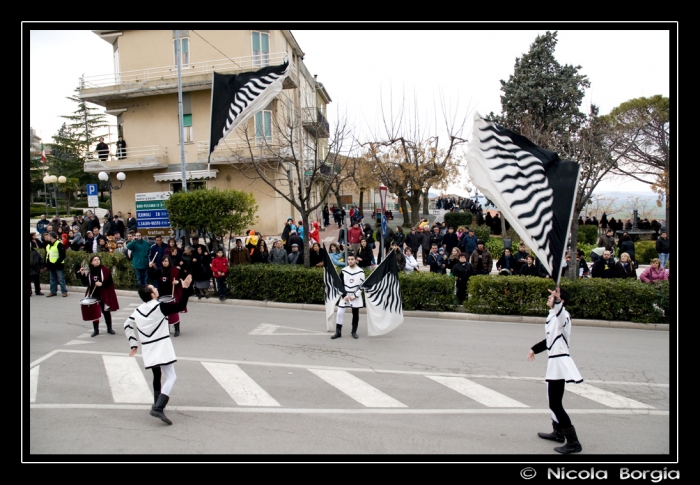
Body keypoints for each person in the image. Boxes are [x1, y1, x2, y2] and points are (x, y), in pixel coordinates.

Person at [125, 275, 193, 425]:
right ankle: (159, 407)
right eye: (154, 288)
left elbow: (127, 325)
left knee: (157, 375)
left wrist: (133, 344)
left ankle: (156, 403)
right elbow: (180, 306)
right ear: (152, 295)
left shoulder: (137, 311)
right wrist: (186, 289)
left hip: (148, 348)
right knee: (171, 377)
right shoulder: (159, 307)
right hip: (162, 346)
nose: (156, 289)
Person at [528, 287, 583, 454]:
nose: (549, 298)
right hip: (554, 362)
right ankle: (558, 432)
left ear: (561, 301)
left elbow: (560, 312)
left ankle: (573, 442)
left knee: (555, 403)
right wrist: (534, 349)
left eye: (551, 297)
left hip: (560, 362)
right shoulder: (552, 316)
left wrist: (558, 300)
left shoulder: (562, 315)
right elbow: (550, 339)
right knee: (551, 399)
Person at [77, 255, 120, 336]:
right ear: (91, 262)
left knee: (106, 312)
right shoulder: (90, 272)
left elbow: (110, 282)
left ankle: (109, 328)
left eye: (98, 259)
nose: (97, 261)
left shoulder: (105, 270)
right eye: (95, 260)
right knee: (94, 313)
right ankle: (96, 330)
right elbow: (86, 283)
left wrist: (101, 284)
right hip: (93, 295)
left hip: (103, 294)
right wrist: (82, 274)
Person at [331, 254, 365, 340]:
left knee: (355, 314)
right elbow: (339, 284)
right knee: (339, 313)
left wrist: (355, 296)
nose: (350, 261)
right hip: (345, 295)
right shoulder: (344, 270)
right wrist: (344, 295)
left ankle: (354, 331)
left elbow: (361, 286)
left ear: (356, 260)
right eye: (349, 259)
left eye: (352, 259)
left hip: (355, 296)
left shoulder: (360, 272)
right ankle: (338, 332)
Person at [44, 232, 68, 297]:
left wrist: (56, 263)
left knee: (61, 279)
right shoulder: (48, 245)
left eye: (48, 236)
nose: (47, 237)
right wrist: (46, 264)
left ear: (52, 237)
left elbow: (63, 255)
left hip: (58, 265)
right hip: (51, 265)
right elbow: (46, 255)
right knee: (52, 279)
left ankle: (64, 291)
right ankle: (53, 291)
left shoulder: (59, 244)